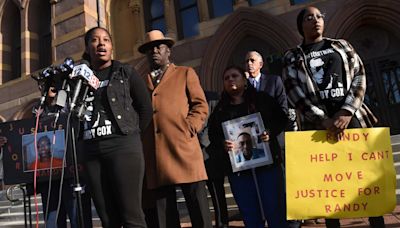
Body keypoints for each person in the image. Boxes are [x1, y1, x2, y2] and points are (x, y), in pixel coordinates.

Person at [282, 6, 383, 228]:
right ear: (301, 25)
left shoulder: (341, 45)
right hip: (317, 126)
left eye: (319, 16)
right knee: (327, 184)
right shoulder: (292, 56)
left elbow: (359, 75)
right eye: (309, 18)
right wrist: (324, 120)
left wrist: (346, 112)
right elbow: (293, 91)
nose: (316, 20)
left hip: (352, 120)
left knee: (364, 177)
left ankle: (377, 222)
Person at [138, 30, 212, 228]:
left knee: (198, 207)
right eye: (149, 49)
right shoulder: (140, 82)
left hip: (184, 148)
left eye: (158, 47)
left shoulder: (185, 73)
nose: (154, 51)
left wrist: (190, 127)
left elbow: (200, 105)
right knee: (165, 214)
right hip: (155, 154)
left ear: (168, 51)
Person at [80, 27, 153, 228]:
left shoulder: (126, 72)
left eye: (106, 40)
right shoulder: (79, 80)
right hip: (92, 152)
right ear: (87, 47)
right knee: (108, 219)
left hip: (123, 147)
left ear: (112, 46)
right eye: (94, 40)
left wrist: (132, 134)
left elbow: (145, 108)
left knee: (132, 217)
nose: (101, 44)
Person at [208, 66, 288, 228]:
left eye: (234, 76)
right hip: (239, 171)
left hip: (268, 165)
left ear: (245, 80)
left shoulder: (262, 99)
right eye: (226, 78)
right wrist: (223, 143)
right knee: (250, 214)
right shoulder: (220, 109)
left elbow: (281, 119)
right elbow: (213, 135)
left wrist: (269, 132)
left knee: (275, 210)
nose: (230, 79)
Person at [199, 91, 229, 228]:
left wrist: (203, 142)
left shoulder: (212, 98)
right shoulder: (180, 99)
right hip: (190, 154)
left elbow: (215, 125)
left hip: (210, 153)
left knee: (217, 192)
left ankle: (222, 223)